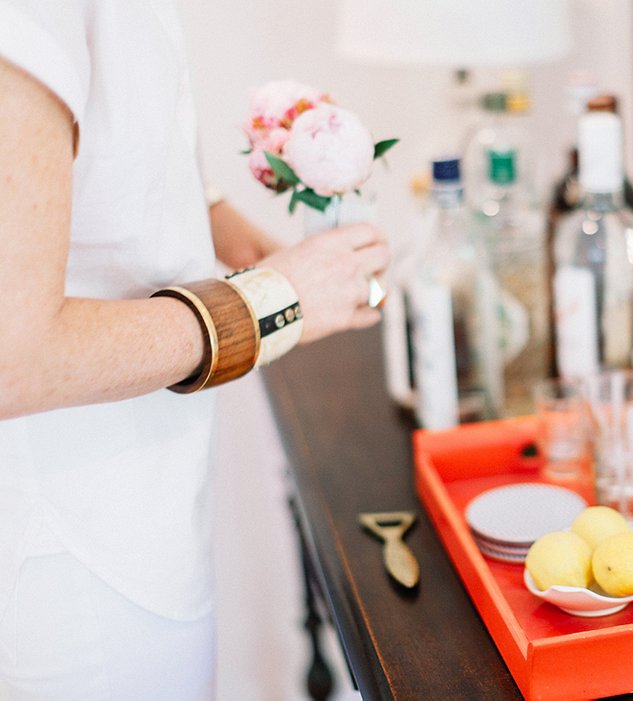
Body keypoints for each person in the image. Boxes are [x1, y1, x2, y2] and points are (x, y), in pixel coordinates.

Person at [0, 3, 389, 698]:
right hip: (75, 556)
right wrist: (278, 300)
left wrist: (218, 222)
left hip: (136, 505)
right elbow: (13, 354)